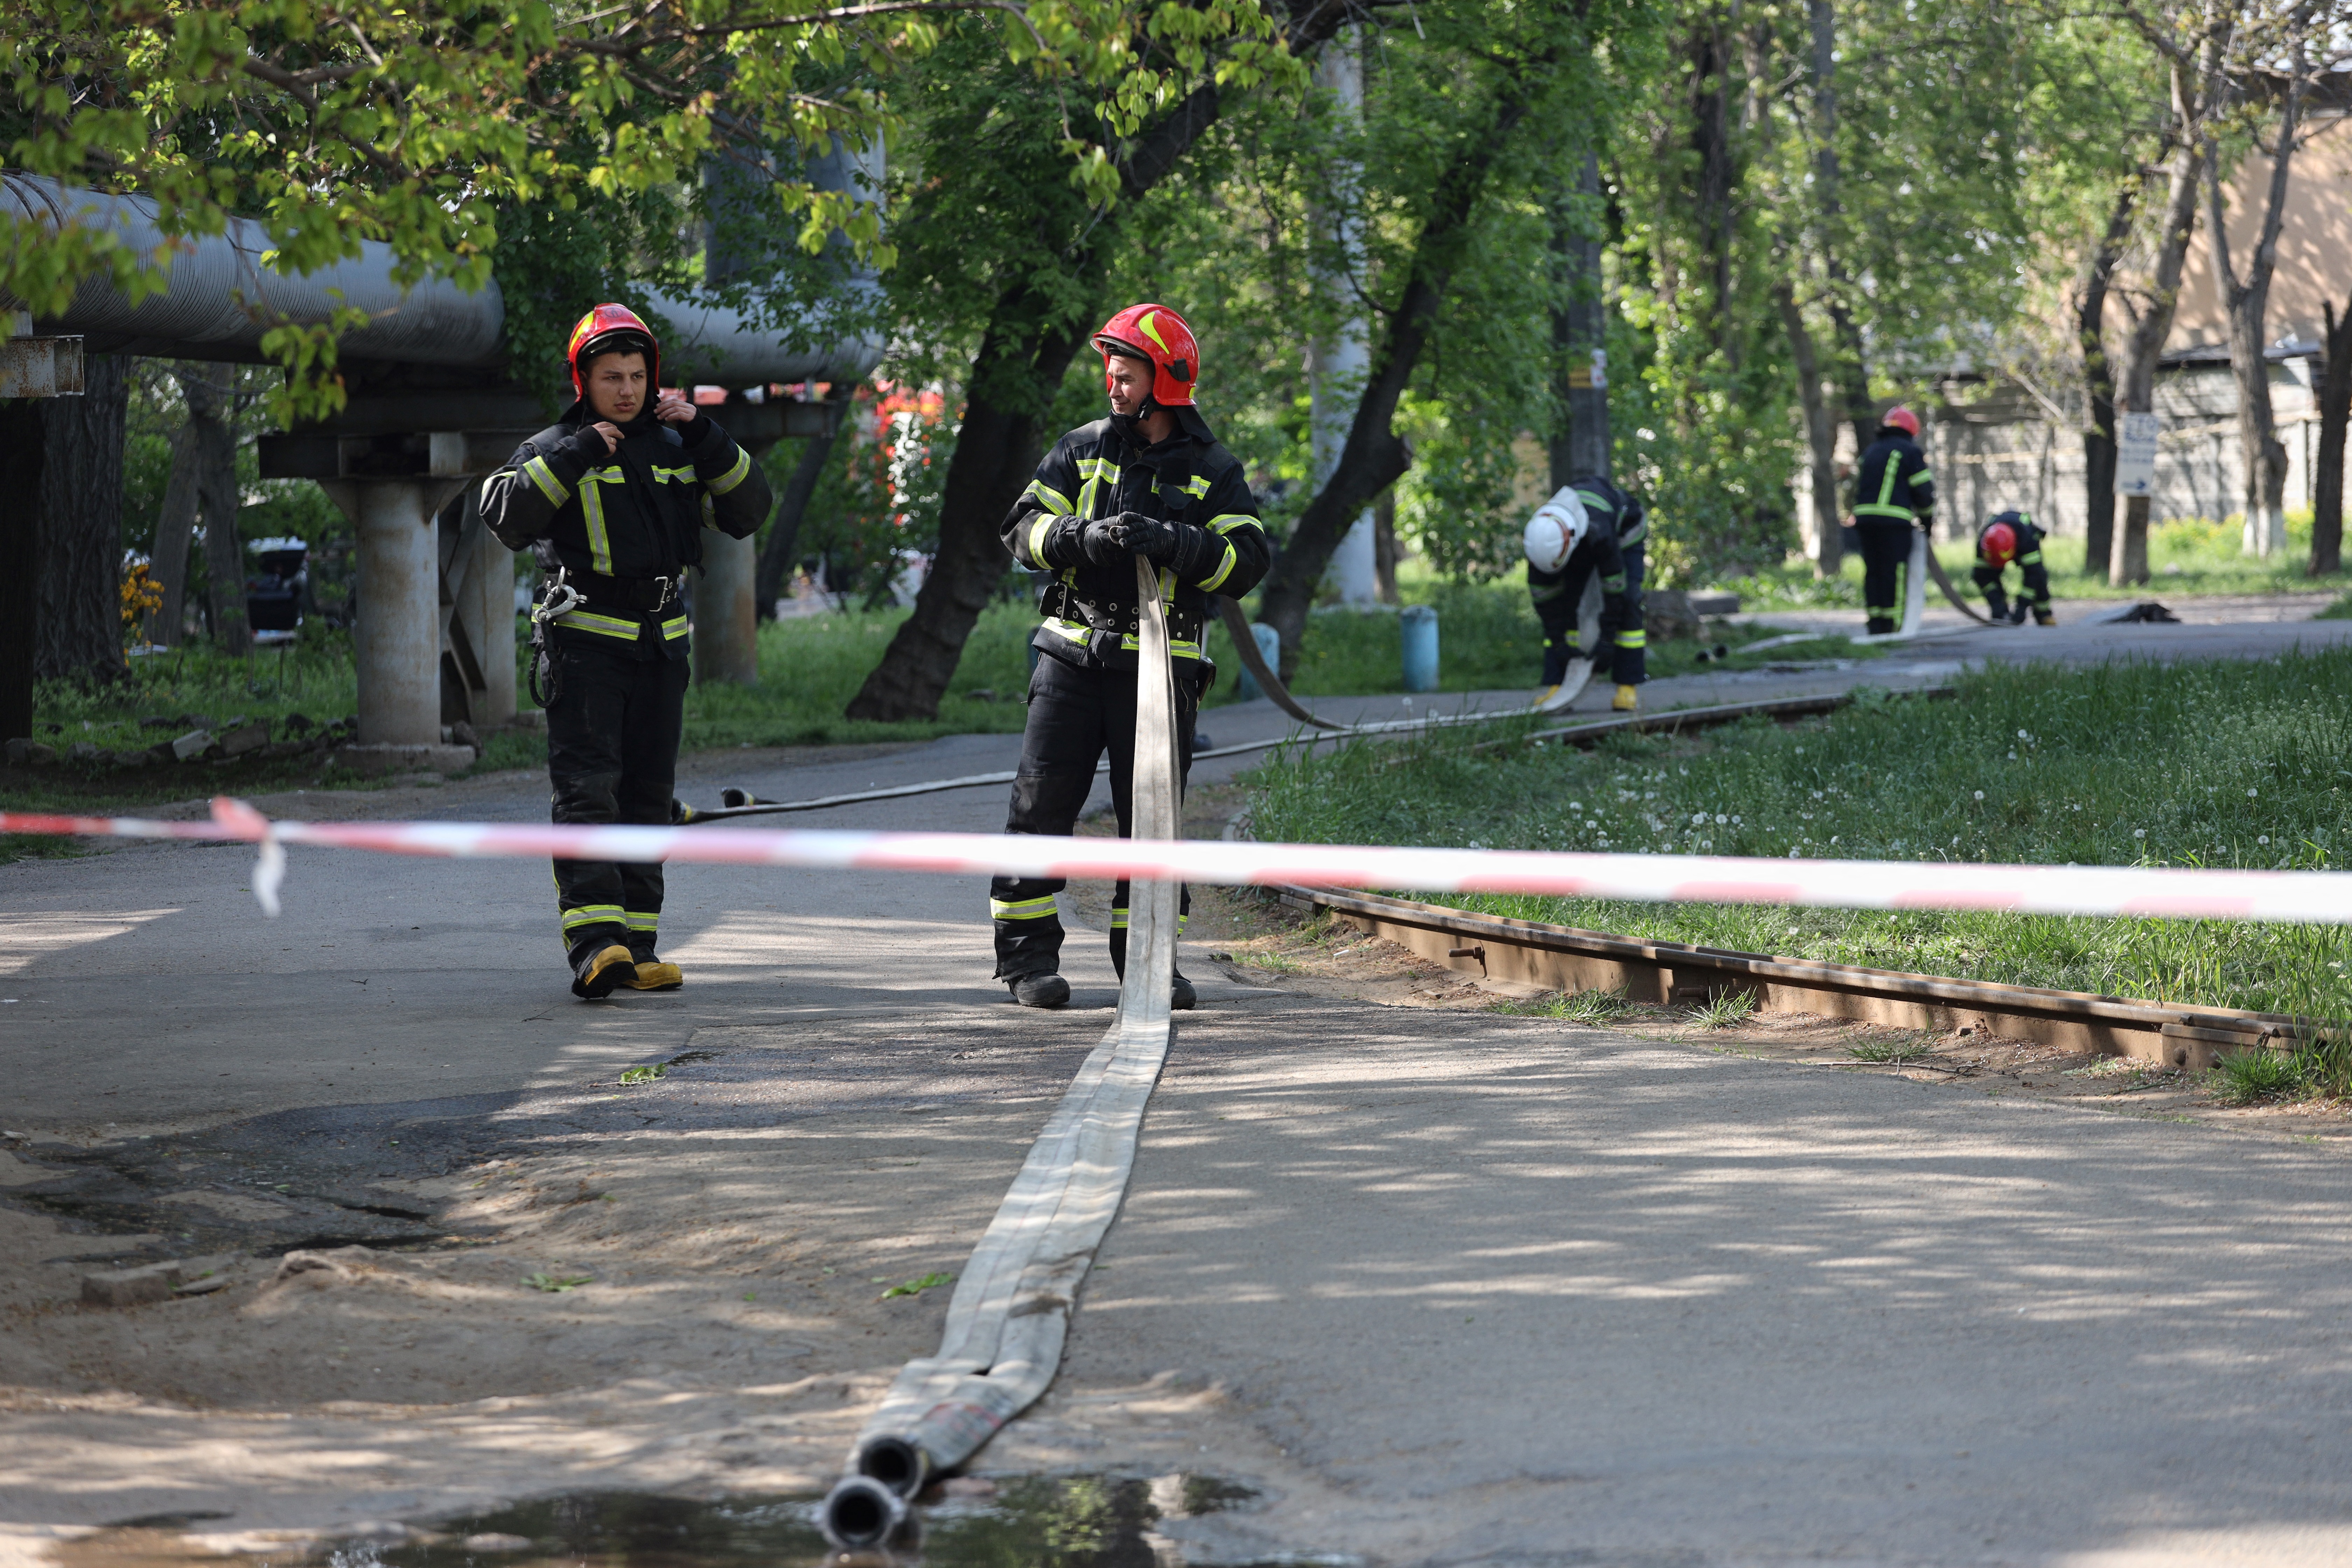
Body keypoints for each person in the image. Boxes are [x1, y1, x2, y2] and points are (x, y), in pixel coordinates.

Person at [479, 304, 774, 999]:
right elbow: (505, 516)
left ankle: (637, 948)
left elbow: (749, 510)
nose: (626, 389)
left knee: (648, 798)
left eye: (638, 376)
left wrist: (705, 432)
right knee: (588, 794)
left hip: (663, 646)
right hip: (584, 647)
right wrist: (581, 450)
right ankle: (594, 946)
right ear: (583, 379)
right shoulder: (555, 445)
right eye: (611, 376)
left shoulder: (680, 448)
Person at [989, 302, 1270, 1010]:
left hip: (1158, 670)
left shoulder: (1213, 468)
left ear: (1165, 382)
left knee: (1151, 826)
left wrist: (1177, 542)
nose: (1112, 387)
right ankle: (1027, 962)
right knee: (1038, 807)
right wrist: (1080, 538)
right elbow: (1020, 529)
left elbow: (1248, 560)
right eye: (1110, 374)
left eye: (1126, 375)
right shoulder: (1081, 448)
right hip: (1070, 662)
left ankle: (1148, 962)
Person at [1525, 475, 1648, 712]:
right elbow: (1545, 602)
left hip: (1625, 533)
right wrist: (1560, 644)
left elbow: (1615, 593)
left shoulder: (1599, 533)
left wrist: (1606, 641)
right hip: (1582, 542)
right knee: (1565, 604)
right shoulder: (1540, 538)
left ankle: (1627, 684)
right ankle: (1558, 683)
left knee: (1630, 600)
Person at [1849, 406, 1936, 635]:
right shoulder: (1910, 452)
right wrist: (1928, 522)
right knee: (1894, 572)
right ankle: (1894, 626)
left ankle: (1876, 622)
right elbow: (1924, 493)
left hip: (1865, 520)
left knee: (1874, 570)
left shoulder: (1871, 451)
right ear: (1911, 431)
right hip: (1893, 522)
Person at [1974, 508, 2055, 625]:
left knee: (2039, 578)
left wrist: (2021, 609)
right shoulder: (1985, 542)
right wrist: (1996, 604)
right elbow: (1980, 576)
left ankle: (2044, 614)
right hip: (1996, 550)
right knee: (1987, 577)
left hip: (2021, 541)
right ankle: (2001, 613)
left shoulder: (2027, 540)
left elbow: (2034, 577)